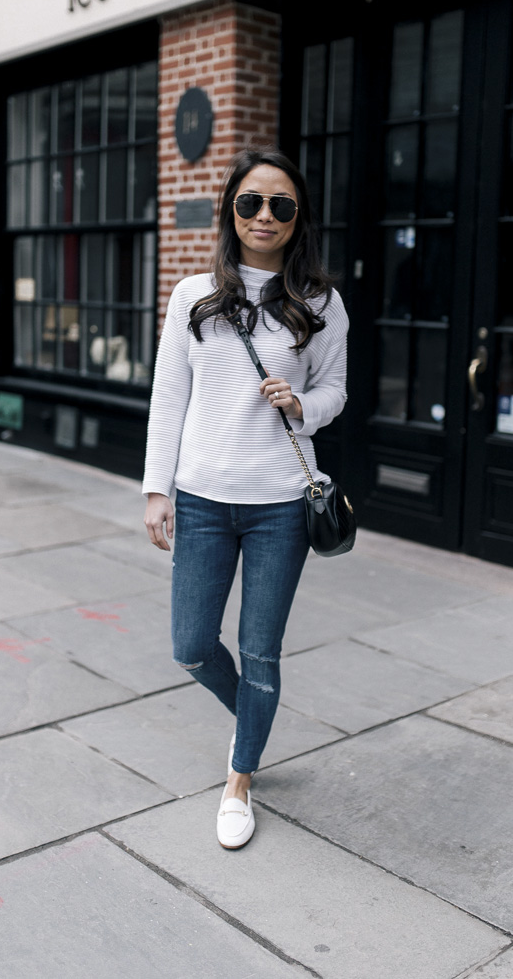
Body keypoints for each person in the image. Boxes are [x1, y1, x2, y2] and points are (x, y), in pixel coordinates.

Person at [142, 146, 349, 849]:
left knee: (259, 651)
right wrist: (154, 490)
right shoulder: (190, 294)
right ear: (231, 209)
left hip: (279, 505)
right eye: (251, 202)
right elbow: (168, 397)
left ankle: (240, 774)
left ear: (297, 219)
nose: (265, 216)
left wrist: (301, 405)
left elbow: (334, 390)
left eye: (281, 205)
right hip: (201, 497)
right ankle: (252, 720)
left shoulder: (319, 301)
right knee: (193, 645)